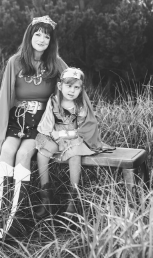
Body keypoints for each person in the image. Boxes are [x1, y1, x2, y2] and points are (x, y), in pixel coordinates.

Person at [0, 15, 68, 241]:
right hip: (17, 121)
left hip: (41, 124)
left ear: (51, 40)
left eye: (47, 35)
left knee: (24, 153)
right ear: (30, 36)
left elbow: (73, 88)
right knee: (7, 151)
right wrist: (0, 132)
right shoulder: (15, 61)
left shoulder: (56, 64)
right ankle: (0, 216)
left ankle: (17, 219)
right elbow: (5, 97)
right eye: (37, 34)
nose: (42, 39)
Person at [35, 67, 110, 216]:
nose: (72, 90)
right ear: (60, 86)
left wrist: (64, 134)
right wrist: (54, 135)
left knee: (74, 154)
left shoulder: (80, 106)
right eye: (69, 86)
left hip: (75, 139)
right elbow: (46, 126)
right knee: (43, 151)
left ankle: (73, 200)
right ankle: (46, 197)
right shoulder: (54, 101)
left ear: (81, 89)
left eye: (76, 87)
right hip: (56, 137)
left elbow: (83, 129)